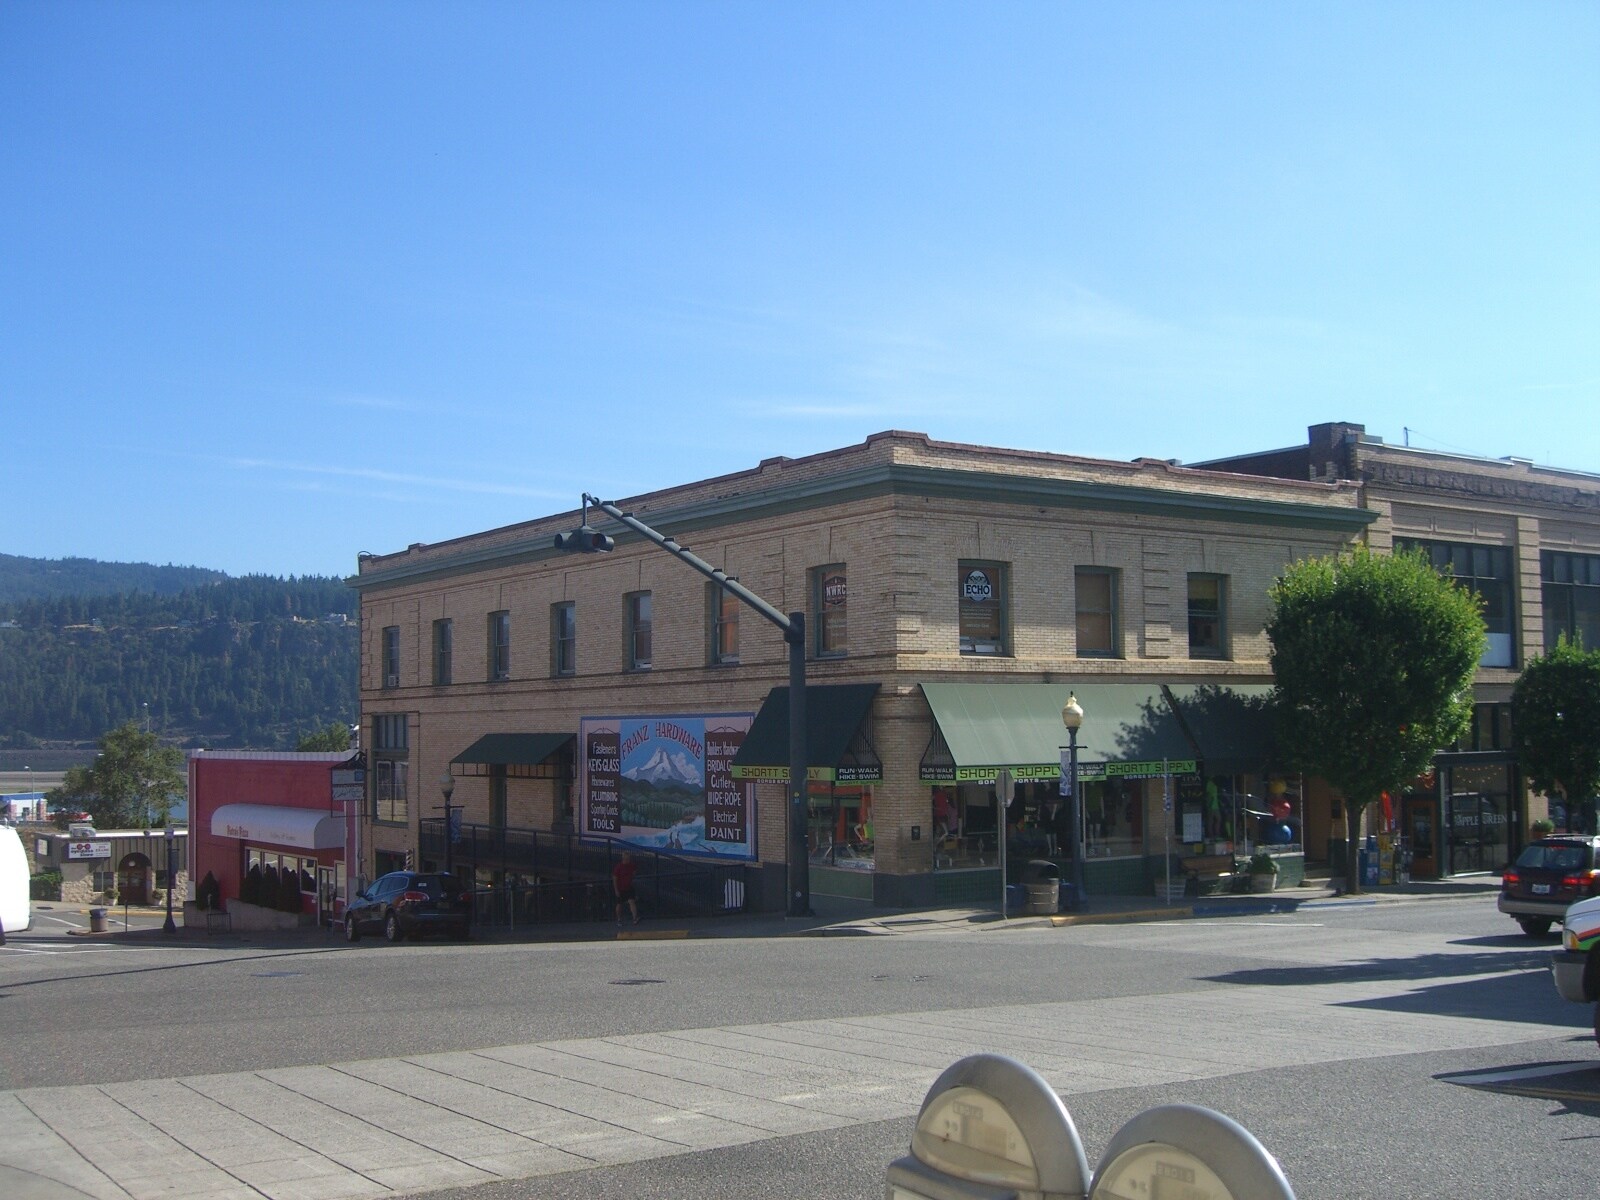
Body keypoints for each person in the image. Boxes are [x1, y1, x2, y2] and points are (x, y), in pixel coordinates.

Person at [612, 851, 639, 925]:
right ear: (623, 858)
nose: (628, 860)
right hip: (620, 888)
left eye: (628, 858)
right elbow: (615, 878)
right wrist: (616, 890)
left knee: (631, 901)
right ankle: (619, 919)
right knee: (619, 904)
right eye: (626, 859)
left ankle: (634, 918)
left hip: (629, 887)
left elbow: (634, 872)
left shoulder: (631, 865)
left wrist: (631, 878)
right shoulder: (618, 867)